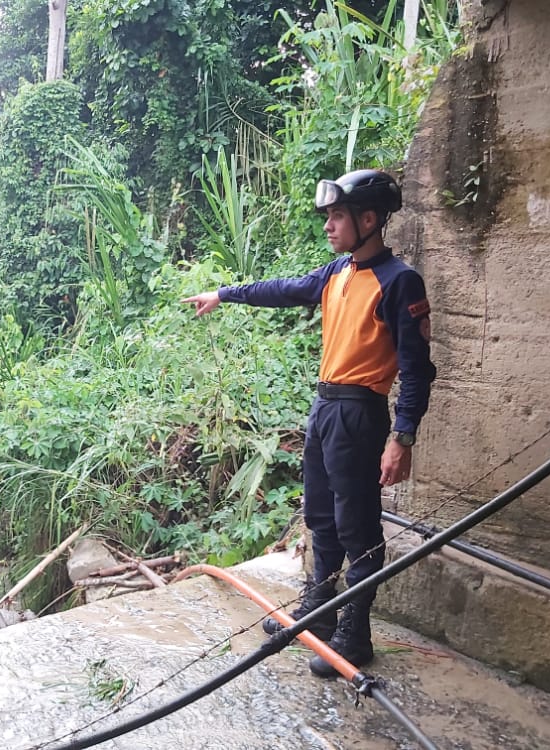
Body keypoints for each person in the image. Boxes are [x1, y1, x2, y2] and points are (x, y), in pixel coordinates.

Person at [180, 169, 435, 677]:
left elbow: (417, 368)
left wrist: (402, 437)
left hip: (360, 412)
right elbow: (285, 288)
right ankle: (317, 615)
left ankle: (354, 634)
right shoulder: (338, 272)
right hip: (325, 409)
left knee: (357, 526)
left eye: (337, 216)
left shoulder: (399, 280)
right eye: (329, 217)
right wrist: (225, 294)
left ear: (369, 219)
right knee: (320, 515)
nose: (329, 226)